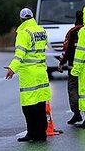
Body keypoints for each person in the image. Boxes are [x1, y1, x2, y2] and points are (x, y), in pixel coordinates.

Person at [5, 8, 51, 142]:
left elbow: (20, 54)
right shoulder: (41, 30)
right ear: (32, 17)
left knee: (28, 106)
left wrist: (12, 69)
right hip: (41, 72)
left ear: (21, 19)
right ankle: (42, 133)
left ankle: (32, 133)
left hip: (29, 74)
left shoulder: (23, 33)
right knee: (41, 104)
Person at [58, 10, 84, 125]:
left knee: (73, 89)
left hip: (74, 66)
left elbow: (67, 49)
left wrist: (61, 63)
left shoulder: (72, 32)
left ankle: (77, 114)